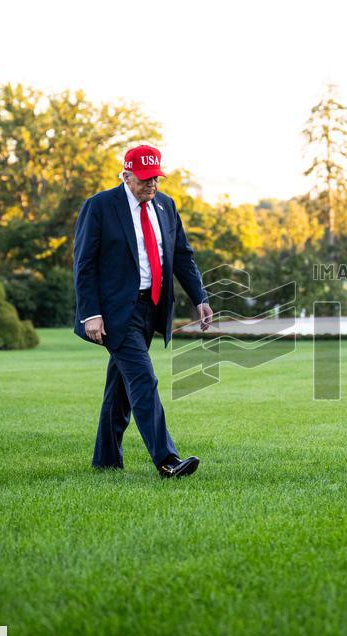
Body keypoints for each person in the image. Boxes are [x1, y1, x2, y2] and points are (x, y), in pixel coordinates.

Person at [72, 144, 213, 478]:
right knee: (143, 380)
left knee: (119, 389)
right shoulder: (100, 206)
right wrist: (90, 313)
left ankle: (106, 460)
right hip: (116, 313)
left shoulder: (165, 206)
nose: (152, 185)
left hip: (151, 308)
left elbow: (182, 256)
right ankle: (167, 460)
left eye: (156, 178)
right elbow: (85, 264)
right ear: (126, 175)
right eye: (145, 179)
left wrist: (200, 298)